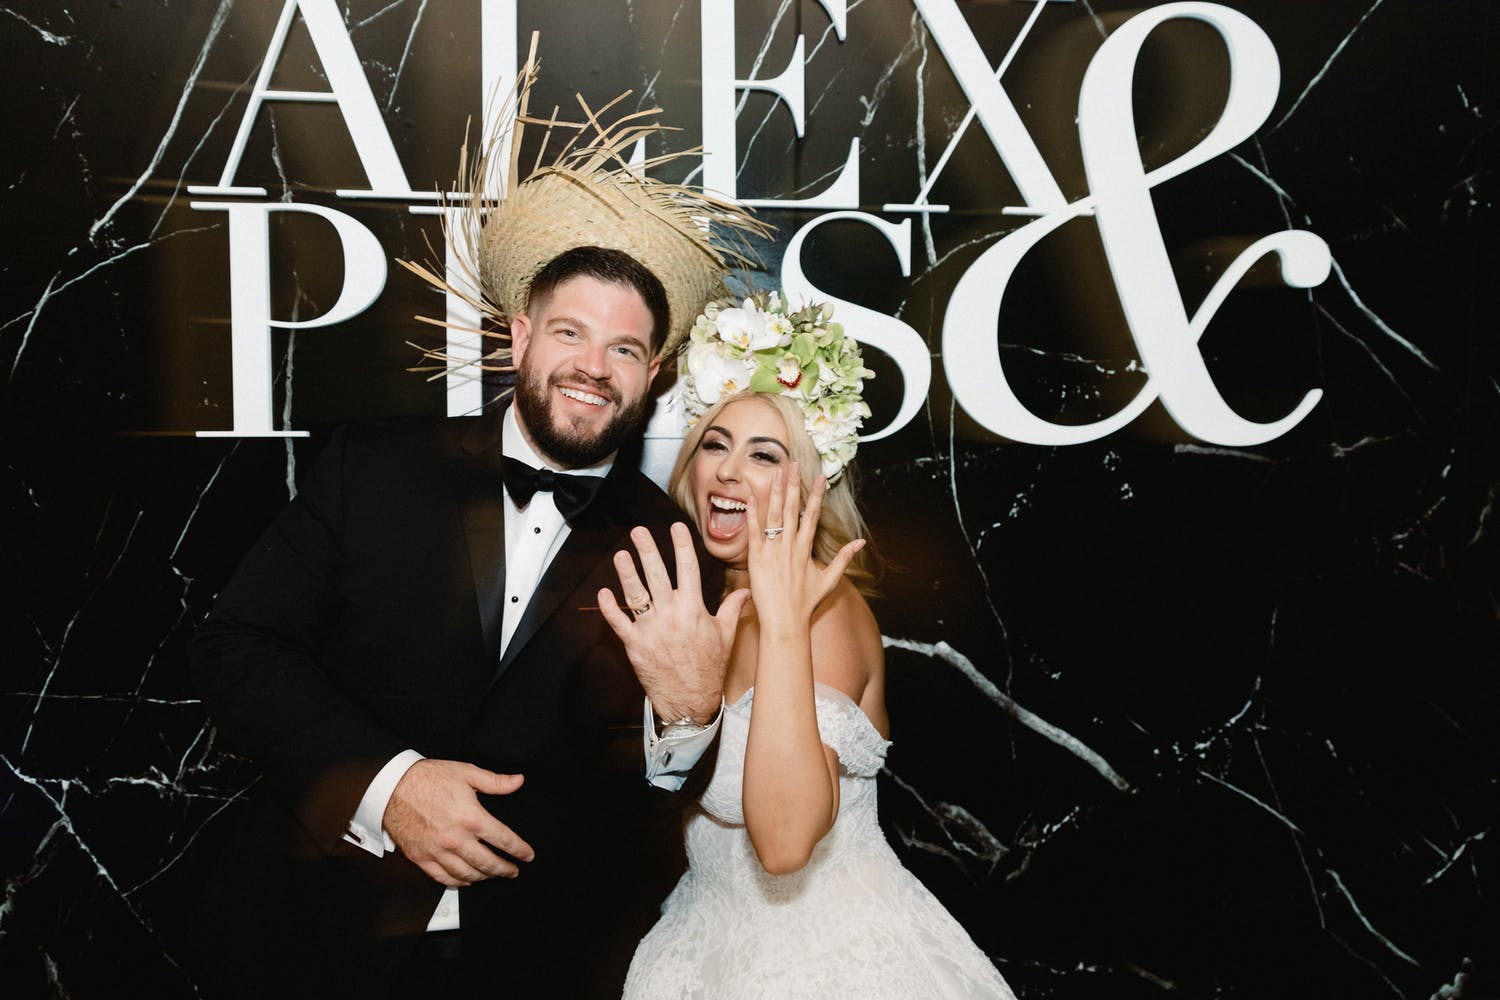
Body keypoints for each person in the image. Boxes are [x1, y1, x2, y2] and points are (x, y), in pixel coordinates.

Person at [186, 70, 766, 999]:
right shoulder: (370, 468)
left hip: (535, 959)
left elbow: (644, 805)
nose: (592, 367)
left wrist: (688, 718)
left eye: (623, 349)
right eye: (570, 333)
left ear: (653, 374)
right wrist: (389, 784)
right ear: (519, 335)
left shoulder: (671, 542)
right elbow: (235, 648)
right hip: (310, 933)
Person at [608, 294, 1018, 999]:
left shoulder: (822, 611)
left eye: (764, 455)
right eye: (715, 443)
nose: (728, 472)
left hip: (829, 964)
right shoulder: (692, 599)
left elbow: (786, 843)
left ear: (809, 483)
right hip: (701, 942)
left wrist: (787, 627)